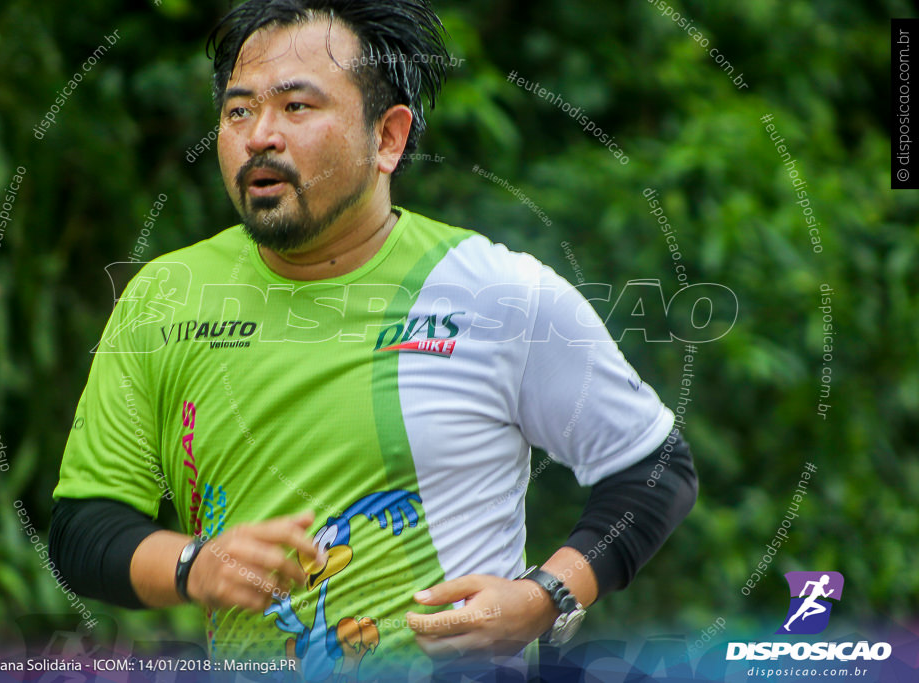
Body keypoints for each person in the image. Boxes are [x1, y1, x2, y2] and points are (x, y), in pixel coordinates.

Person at [50, 0, 698, 679]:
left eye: (297, 107)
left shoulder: (495, 292)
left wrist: (547, 595)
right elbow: (85, 525)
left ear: (388, 138)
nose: (259, 135)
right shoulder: (167, 294)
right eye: (238, 111)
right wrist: (193, 565)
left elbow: (655, 467)